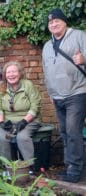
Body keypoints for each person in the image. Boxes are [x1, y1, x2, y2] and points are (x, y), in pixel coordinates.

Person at [42, 8, 86, 183]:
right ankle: (72, 167)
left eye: (56, 21)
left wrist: (83, 60)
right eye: (50, 22)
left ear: (64, 21)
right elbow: (46, 71)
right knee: (66, 132)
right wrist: (51, 93)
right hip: (57, 96)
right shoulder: (47, 46)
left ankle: (75, 171)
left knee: (73, 131)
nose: (53, 24)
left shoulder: (79, 36)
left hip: (77, 91)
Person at [0, 61, 41, 165]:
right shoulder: (0, 88)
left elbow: (35, 106)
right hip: (9, 122)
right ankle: (8, 167)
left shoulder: (28, 85)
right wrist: (2, 122)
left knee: (22, 137)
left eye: (14, 72)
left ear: (20, 73)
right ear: (5, 75)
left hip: (28, 121)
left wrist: (24, 121)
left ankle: (29, 166)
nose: (11, 75)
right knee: (2, 138)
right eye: (8, 72)